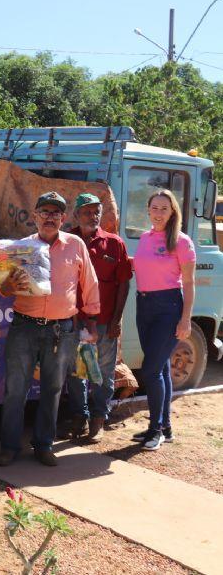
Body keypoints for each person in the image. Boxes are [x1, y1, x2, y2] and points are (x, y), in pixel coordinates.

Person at [0, 192, 100, 467]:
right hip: (24, 327)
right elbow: (4, 290)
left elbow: (89, 281)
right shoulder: (20, 248)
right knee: (15, 389)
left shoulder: (75, 245)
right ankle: (9, 447)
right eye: (45, 212)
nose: (50, 217)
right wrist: (10, 283)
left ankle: (44, 445)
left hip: (61, 331)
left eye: (56, 213)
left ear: (63, 218)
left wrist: (91, 320)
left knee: (53, 389)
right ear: (35, 216)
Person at [61, 193, 132, 443]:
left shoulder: (114, 243)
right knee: (77, 371)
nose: (93, 216)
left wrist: (117, 319)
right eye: (87, 212)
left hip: (104, 321)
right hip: (74, 319)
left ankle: (99, 419)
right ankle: (79, 417)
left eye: (96, 212)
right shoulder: (67, 241)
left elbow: (124, 283)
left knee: (102, 372)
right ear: (76, 216)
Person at [131, 190, 195, 451]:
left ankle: (154, 429)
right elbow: (143, 266)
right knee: (161, 369)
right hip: (144, 305)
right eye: (154, 208)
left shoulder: (181, 241)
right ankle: (165, 427)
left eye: (164, 209)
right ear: (148, 210)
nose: (158, 213)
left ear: (173, 212)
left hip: (168, 307)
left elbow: (189, 284)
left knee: (151, 369)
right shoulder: (145, 238)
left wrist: (186, 319)